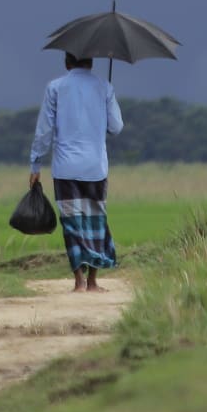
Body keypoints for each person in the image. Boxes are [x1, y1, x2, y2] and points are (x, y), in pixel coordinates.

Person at [28, 52, 124, 292]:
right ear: (91, 62)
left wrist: (35, 164)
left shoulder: (55, 88)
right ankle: (93, 282)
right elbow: (116, 127)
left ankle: (79, 282)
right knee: (96, 221)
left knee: (72, 223)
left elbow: (44, 131)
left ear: (67, 63)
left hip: (65, 168)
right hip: (95, 168)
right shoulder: (105, 86)